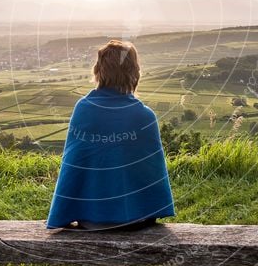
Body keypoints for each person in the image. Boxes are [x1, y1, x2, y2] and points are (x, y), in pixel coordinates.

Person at [45, 39, 175, 231]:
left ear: (98, 70)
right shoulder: (144, 116)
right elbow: (151, 174)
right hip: (136, 219)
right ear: (134, 72)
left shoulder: (83, 109)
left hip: (90, 221)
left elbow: (73, 166)